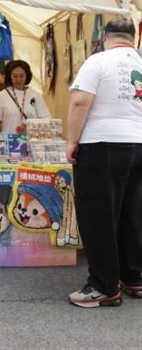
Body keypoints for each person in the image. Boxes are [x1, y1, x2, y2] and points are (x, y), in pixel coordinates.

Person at [66, 16, 142, 308]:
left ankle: (103, 286)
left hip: (102, 144)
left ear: (105, 37)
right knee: (132, 213)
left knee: (98, 217)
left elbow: (79, 102)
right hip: (138, 143)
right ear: (133, 38)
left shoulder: (97, 61)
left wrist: (72, 141)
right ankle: (133, 277)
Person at [0, 60, 51, 134]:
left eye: (22, 76)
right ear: (10, 76)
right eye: (15, 76)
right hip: (8, 139)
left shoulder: (35, 95)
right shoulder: (2, 95)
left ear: (27, 76)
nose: (18, 79)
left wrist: (29, 124)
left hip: (31, 139)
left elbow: (47, 119)